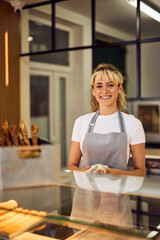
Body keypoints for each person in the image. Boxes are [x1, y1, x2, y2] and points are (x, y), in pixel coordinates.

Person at [68, 63, 146, 176]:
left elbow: (140, 172)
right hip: (86, 191)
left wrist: (114, 173)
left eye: (110, 85)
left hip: (117, 191)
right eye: (99, 86)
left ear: (119, 88)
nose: (104, 91)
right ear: (94, 91)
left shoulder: (133, 124)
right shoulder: (81, 122)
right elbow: (71, 166)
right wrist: (84, 173)